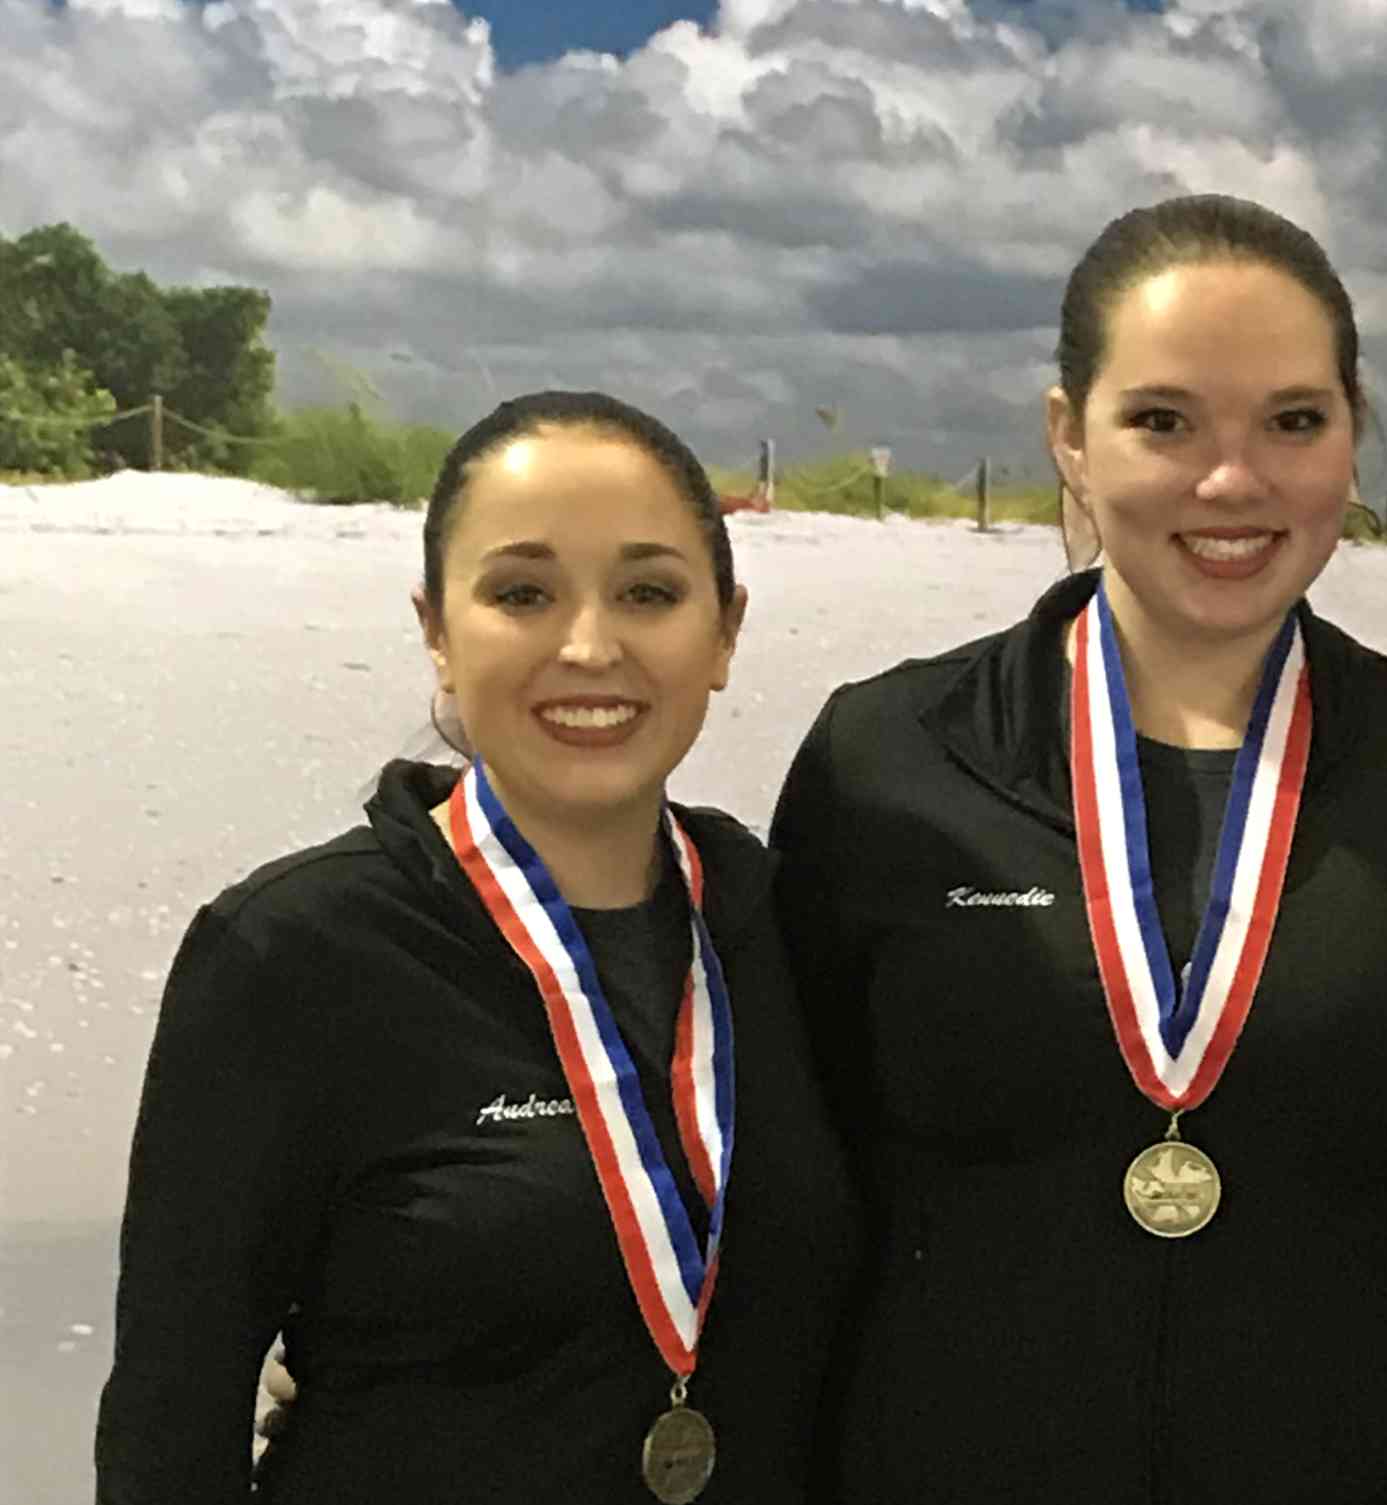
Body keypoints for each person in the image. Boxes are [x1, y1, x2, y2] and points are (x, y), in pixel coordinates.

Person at [769, 195, 1387, 1503]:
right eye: (1163, 421)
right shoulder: (886, 755)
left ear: (1352, 438)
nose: (1232, 480)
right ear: (1070, 435)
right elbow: (784, 1143)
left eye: (1294, 421)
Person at [96, 392, 859, 1503]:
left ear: (726, 630)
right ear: (439, 632)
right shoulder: (295, 953)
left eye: (649, 591)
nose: (590, 644)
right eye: (522, 593)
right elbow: (172, 1428)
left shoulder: (776, 917)